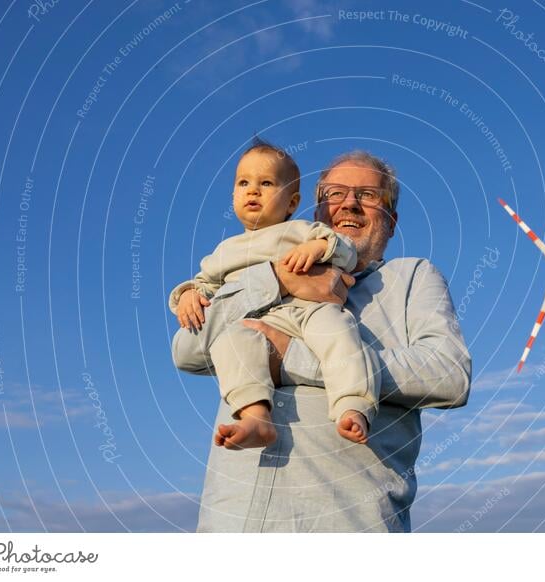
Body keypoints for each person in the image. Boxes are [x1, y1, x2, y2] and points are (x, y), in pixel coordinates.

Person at [172, 150, 472, 532]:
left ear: (391, 221)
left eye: (368, 195)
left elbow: (449, 376)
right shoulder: (251, 272)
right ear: (315, 212)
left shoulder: (411, 277)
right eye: (335, 193)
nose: (350, 203)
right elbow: (187, 350)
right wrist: (278, 282)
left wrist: (290, 357)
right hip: (233, 522)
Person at [169, 140, 378, 447]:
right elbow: (204, 285)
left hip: (308, 312)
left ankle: (353, 405)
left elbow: (344, 250)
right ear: (233, 196)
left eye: (266, 183)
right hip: (259, 324)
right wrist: (187, 293)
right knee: (232, 341)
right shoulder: (225, 252)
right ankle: (255, 417)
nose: (253, 190)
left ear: (292, 203)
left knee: (339, 332)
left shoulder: (301, 230)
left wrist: (318, 247)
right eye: (243, 183)